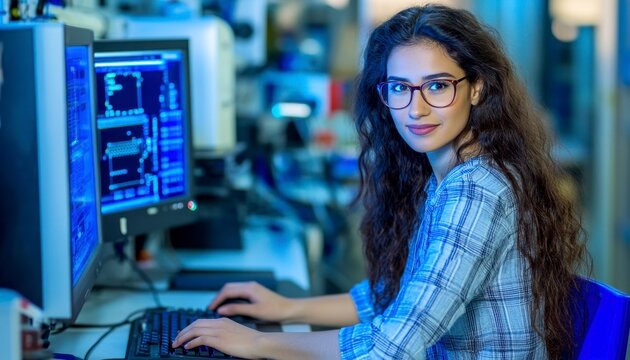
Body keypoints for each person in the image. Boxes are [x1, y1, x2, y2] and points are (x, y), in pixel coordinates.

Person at [172, 4, 590, 359]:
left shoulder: (475, 190)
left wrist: (262, 342)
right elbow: (393, 298)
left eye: (438, 86)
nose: (417, 109)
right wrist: (287, 307)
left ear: (476, 88)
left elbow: (394, 346)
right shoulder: (446, 176)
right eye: (400, 88)